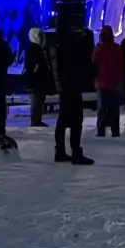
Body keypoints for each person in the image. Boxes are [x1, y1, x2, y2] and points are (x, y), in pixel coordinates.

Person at [52, 18, 96, 165]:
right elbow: (82, 60)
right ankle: (76, 152)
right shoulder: (69, 45)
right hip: (72, 85)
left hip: (64, 86)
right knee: (76, 120)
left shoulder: (58, 44)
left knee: (63, 120)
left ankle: (60, 150)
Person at [93, 24, 124, 137]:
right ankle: (114, 131)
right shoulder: (116, 48)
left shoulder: (99, 48)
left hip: (102, 83)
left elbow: (93, 62)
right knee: (112, 108)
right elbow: (120, 66)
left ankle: (102, 130)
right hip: (111, 82)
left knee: (103, 108)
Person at [22, 27, 50, 126]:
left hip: (37, 79)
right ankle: (35, 121)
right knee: (36, 100)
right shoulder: (34, 49)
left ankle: (37, 120)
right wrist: (37, 68)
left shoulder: (36, 48)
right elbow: (32, 65)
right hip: (35, 80)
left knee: (39, 100)